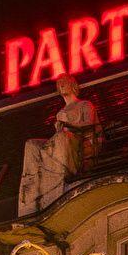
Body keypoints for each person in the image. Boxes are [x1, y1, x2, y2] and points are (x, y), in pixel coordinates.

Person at [18, 75, 102, 216]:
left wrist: (68, 123)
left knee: (63, 136)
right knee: (31, 145)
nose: (61, 85)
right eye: (59, 83)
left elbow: (88, 126)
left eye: (64, 82)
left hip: (79, 143)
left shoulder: (85, 105)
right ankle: (31, 185)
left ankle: (57, 178)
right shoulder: (59, 113)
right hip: (62, 143)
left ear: (73, 85)